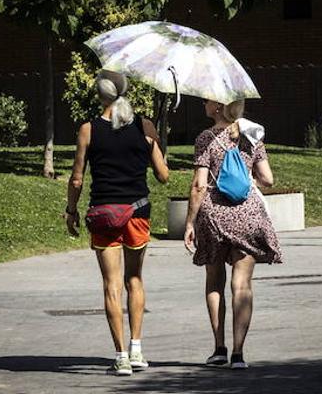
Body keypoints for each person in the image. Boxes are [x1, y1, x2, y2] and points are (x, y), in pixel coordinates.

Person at [66, 70, 169, 376]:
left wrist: (71, 210)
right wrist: (157, 147)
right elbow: (163, 177)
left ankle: (121, 356)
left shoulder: (88, 129)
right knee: (134, 279)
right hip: (137, 212)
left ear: (100, 95)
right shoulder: (145, 126)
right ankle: (137, 350)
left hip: (104, 213)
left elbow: (76, 178)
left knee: (111, 285)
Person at [183, 98, 281, 369]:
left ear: (217, 107)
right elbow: (268, 179)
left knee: (214, 281)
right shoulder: (252, 135)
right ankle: (238, 354)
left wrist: (189, 222)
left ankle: (219, 349)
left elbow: (199, 186)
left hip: (214, 217)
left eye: (208, 100)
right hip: (246, 214)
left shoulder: (205, 138)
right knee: (242, 285)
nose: (204, 102)